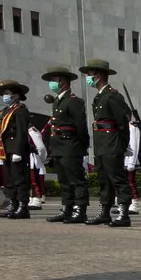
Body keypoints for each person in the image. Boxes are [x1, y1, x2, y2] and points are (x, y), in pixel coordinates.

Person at [80, 59, 133, 227]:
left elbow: (123, 123)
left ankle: (124, 214)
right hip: (102, 143)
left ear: (100, 75)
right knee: (104, 178)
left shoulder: (113, 95)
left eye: (90, 74)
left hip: (112, 142)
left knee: (117, 178)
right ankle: (105, 212)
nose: (88, 77)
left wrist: (123, 145)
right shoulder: (100, 96)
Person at [41, 65, 89, 223]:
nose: (52, 83)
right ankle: (67, 208)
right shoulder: (57, 102)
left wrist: (82, 147)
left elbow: (81, 127)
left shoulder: (73, 101)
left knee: (75, 179)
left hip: (71, 145)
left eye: (54, 80)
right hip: (58, 145)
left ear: (64, 82)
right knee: (64, 180)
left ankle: (80, 210)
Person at [0, 79, 33, 219]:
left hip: (16, 147)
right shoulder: (5, 111)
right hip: (6, 148)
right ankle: (13, 204)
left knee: (19, 178)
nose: (5, 96)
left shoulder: (20, 110)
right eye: (4, 93)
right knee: (9, 179)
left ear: (16, 95)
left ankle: (23, 206)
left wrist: (18, 150)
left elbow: (21, 132)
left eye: (8, 93)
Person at [124, 118, 141, 214]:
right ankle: (123, 205)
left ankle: (134, 205)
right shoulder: (123, 126)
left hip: (129, 160)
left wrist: (132, 162)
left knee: (130, 183)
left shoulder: (132, 128)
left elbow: (134, 145)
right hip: (122, 160)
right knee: (122, 184)